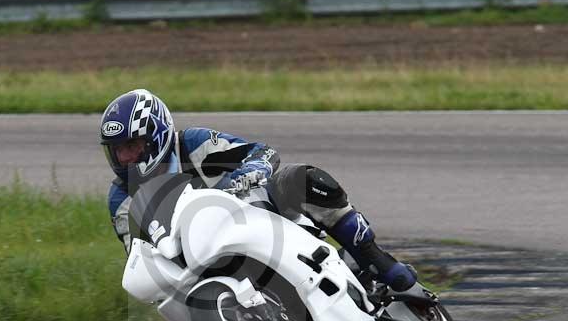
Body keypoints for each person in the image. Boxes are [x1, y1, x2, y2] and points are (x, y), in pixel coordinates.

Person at [101, 88, 417, 292]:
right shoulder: (121, 198)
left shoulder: (194, 144)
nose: (124, 157)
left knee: (303, 179)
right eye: (117, 150)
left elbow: (261, 152)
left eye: (131, 145)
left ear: (156, 137)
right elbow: (137, 253)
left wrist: (249, 172)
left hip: (254, 218)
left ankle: (378, 261)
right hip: (200, 265)